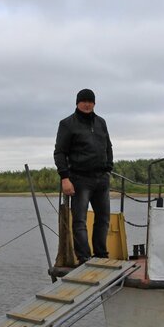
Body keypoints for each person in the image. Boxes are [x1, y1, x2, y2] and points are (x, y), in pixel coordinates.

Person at [54, 88, 113, 263]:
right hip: (80, 179)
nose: (87, 104)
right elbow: (59, 153)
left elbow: (108, 147)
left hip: (101, 178)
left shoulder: (101, 122)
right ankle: (84, 257)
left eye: (90, 101)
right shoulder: (67, 124)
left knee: (103, 219)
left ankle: (101, 254)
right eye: (84, 101)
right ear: (77, 103)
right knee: (79, 220)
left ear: (94, 103)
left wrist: (109, 167)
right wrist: (65, 177)